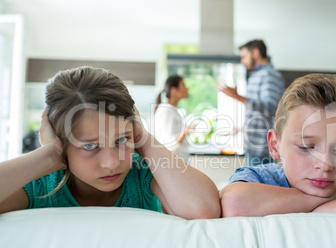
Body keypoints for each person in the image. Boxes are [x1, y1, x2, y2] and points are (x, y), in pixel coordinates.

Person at [0, 66, 221, 219]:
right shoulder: (41, 186)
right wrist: (49, 155)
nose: (111, 163)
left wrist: (144, 141)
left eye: (121, 139)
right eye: (89, 146)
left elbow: (204, 209)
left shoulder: (141, 175)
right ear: (61, 144)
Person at [220, 73, 336, 219]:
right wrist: (328, 199)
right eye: (306, 147)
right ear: (275, 146)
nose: (325, 164)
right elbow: (233, 203)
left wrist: (331, 206)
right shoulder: (260, 177)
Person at [218, 39, 285, 166]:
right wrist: (241, 129)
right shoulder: (256, 76)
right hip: (254, 147)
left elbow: (271, 108)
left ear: (255, 53)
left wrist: (237, 97)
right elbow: (259, 115)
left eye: (244, 57)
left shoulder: (269, 75)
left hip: (263, 148)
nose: (242, 61)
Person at [153, 75, 193, 162]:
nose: (187, 89)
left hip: (177, 163)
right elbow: (170, 144)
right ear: (174, 90)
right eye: (183, 85)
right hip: (172, 164)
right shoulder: (166, 111)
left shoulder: (172, 110)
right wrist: (185, 131)